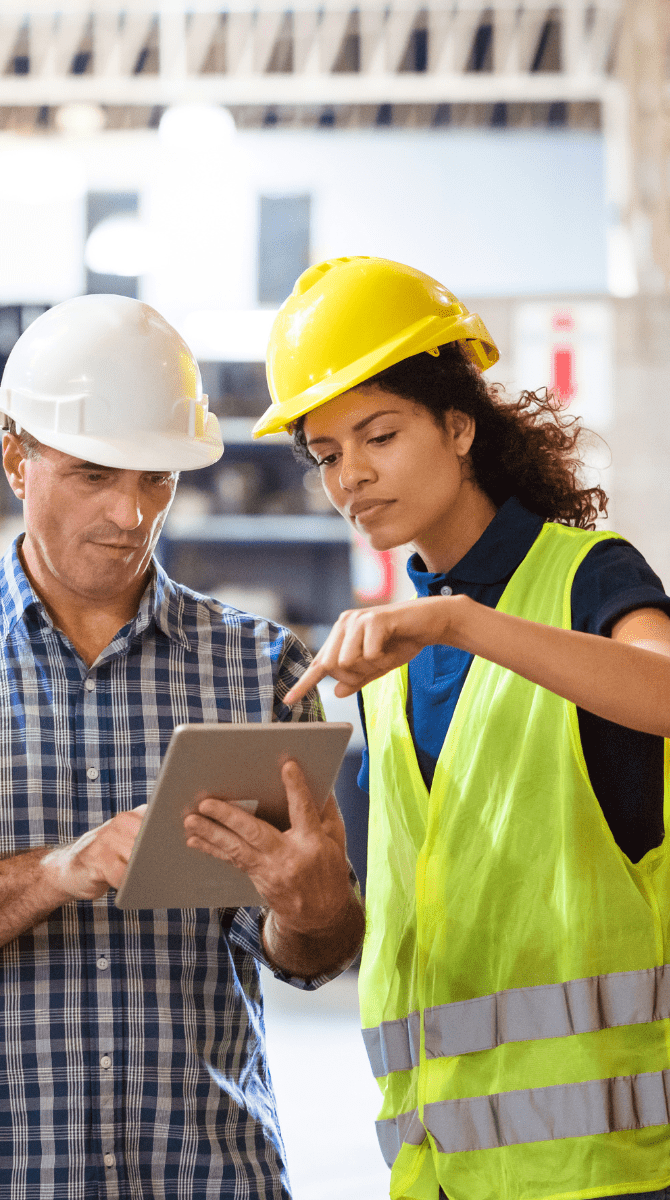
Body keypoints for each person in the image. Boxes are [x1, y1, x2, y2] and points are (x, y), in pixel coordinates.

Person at [0, 293, 366, 1199]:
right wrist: (59, 870)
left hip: (211, 1175)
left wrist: (315, 909)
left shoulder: (261, 670)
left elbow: (310, 953)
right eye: (95, 475)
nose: (132, 513)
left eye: (156, 479)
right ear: (18, 458)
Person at [258, 256, 670, 1200]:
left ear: (457, 426)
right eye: (326, 454)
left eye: (379, 434)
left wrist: (459, 620)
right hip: (441, 1168)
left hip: (607, 1168)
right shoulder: (393, 657)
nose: (350, 474)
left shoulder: (587, 580)